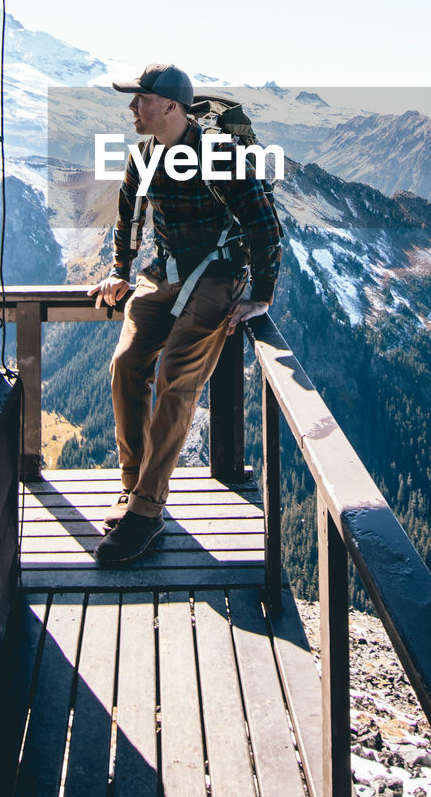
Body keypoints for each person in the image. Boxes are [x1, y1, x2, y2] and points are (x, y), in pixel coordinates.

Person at [87, 63, 281, 565]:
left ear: (171, 106)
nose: (132, 108)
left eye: (141, 99)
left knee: (176, 377)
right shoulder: (142, 155)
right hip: (163, 271)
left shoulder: (220, 155)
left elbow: (264, 224)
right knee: (126, 364)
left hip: (217, 275)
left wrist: (262, 293)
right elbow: (128, 215)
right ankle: (133, 489)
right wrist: (119, 269)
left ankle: (147, 512)